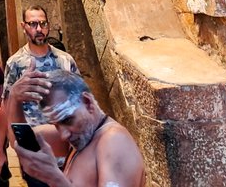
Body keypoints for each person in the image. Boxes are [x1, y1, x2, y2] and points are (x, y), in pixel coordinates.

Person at [11, 71, 146, 187]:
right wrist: (15, 98)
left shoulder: (114, 142)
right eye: (56, 125)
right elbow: (21, 144)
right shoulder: (81, 136)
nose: (63, 135)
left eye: (67, 120)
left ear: (87, 103)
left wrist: (56, 179)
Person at [0, 5, 79, 183]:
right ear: (23, 26)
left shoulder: (65, 60)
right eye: (33, 24)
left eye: (42, 23)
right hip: (34, 151)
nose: (39, 29)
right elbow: (6, 107)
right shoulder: (16, 63)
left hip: (66, 151)